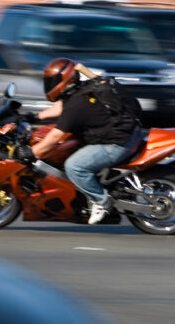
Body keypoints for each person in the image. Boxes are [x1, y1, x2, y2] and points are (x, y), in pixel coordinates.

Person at [29, 57, 144, 225]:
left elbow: (55, 137)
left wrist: (31, 152)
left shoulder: (76, 104)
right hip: (126, 132)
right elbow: (61, 107)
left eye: (52, 81)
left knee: (74, 166)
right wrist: (34, 116)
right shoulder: (82, 89)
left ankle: (102, 201)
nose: (49, 85)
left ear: (64, 80)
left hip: (116, 144)